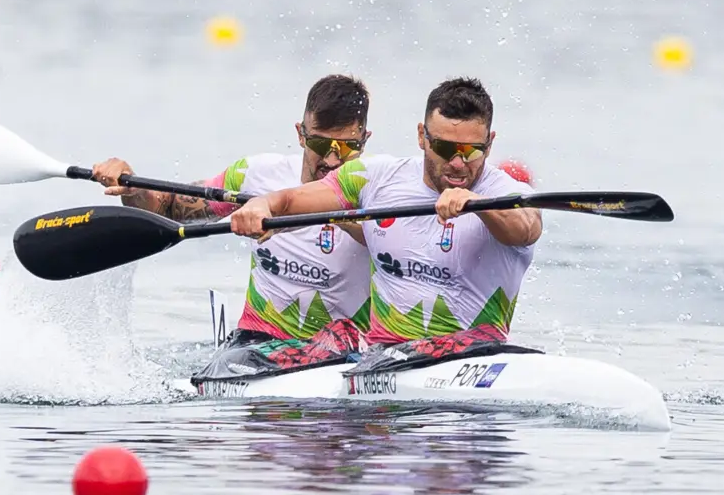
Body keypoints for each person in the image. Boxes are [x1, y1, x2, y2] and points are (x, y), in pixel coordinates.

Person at [227, 77, 541, 364]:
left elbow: (527, 229)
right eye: (445, 148)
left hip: (472, 356)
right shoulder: (376, 178)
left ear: (490, 143)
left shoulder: (507, 193)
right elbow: (291, 200)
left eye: (472, 152)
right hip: (383, 361)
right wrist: (262, 205)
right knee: (338, 335)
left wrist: (480, 206)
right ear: (422, 137)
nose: (458, 163)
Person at [91, 75, 377, 380]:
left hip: (347, 348)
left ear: (365, 141)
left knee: (341, 335)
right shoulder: (257, 174)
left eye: (346, 148)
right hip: (257, 344)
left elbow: (401, 246)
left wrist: (339, 215)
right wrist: (133, 188)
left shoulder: (381, 187)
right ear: (300, 134)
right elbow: (167, 208)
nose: (332, 160)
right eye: (320, 144)